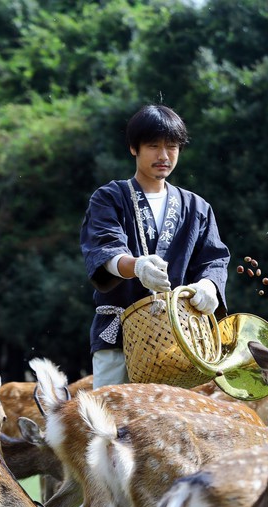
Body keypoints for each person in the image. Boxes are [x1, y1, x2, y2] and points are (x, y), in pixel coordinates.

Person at [80, 104, 230, 388]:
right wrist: (137, 266)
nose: (163, 155)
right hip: (119, 337)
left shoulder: (197, 207)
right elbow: (105, 249)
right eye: (153, 146)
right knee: (112, 424)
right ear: (133, 148)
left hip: (180, 339)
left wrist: (209, 286)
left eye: (172, 147)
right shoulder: (109, 198)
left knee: (175, 425)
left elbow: (214, 260)